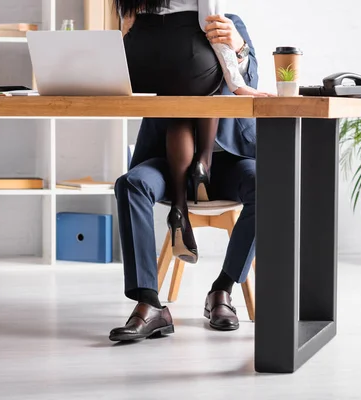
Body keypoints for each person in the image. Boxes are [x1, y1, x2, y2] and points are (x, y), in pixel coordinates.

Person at [111, 13, 264, 341]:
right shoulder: (147, 23)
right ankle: (149, 304)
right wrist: (127, 38)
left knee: (267, 186)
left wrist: (238, 46)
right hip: (166, 157)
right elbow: (127, 82)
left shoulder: (229, 21)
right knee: (131, 184)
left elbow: (252, 77)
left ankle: (222, 290)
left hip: (229, 158)